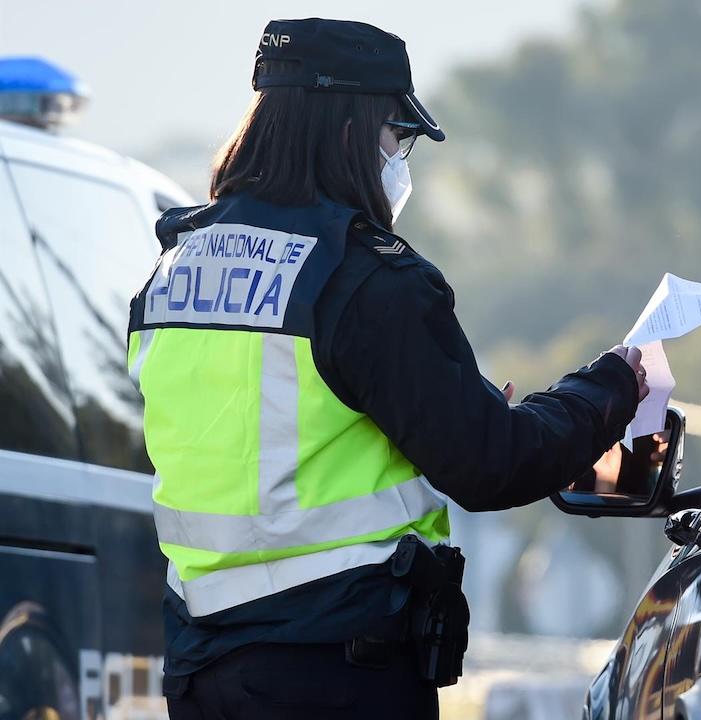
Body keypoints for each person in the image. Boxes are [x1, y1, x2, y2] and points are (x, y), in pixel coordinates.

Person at [126, 18, 648, 719]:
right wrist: (610, 387)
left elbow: (271, 425)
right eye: (395, 136)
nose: (397, 157)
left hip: (202, 668)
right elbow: (492, 465)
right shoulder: (363, 277)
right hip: (337, 667)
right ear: (350, 131)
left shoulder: (172, 269)